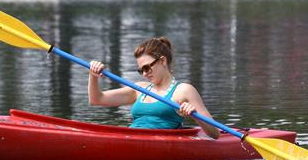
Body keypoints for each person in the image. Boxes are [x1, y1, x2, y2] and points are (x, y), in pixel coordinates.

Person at [88, 37, 220, 139]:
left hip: (159, 142)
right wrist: (93, 75)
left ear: (162, 61)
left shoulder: (184, 90)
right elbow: (96, 99)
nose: (144, 74)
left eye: (147, 68)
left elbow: (214, 133)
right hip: (132, 137)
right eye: (141, 70)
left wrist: (194, 115)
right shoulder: (140, 89)